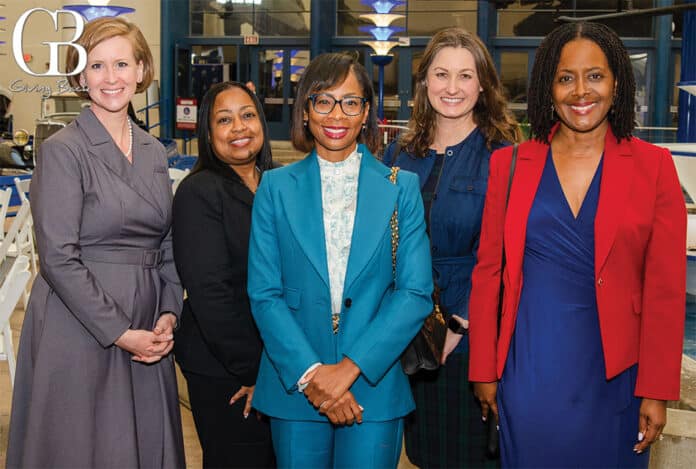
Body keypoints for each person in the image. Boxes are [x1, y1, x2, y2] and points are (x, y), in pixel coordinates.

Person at [469, 22, 686, 468]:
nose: (580, 91)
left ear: (617, 84)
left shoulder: (655, 166)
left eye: (595, 76)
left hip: (616, 381)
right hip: (530, 372)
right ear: (548, 88)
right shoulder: (509, 165)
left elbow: (665, 289)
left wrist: (658, 389)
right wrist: (483, 370)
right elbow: (488, 273)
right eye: (566, 77)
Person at [6, 17, 185, 468]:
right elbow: (58, 258)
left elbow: (166, 243)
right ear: (80, 76)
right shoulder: (64, 149)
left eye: (122, 64)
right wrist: (122, 334)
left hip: (147, 323)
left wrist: (168, 311)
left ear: (142, 70)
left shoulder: (153, 152)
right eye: (97, 66)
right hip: (82, 326)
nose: (111, 78)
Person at [247, 52, 433, 468]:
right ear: (306, 111)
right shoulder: (274, 188)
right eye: (323, 101)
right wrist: (313, 374)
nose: (337, 114)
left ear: (366, 112)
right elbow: (265, 294)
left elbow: (415, 293)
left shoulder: (401, 188)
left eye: (350, 102)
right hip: (296, 387)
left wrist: (348, 369)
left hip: (374, 384)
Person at [382, 27, 521, 468]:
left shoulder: (504, 155)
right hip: (407, 332)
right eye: (441, 74)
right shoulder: (399, 153)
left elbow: (505, 258)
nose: (453, 87)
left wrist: (459, 328)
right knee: (423, 453)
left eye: (465, 75)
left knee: (471, 456)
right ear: (424, 82)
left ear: (483, 84)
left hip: (471, 336)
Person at [172, 81, 276, 468]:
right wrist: (256, 370)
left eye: (248, 115)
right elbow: (210, 293)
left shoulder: (278, 183)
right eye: (224, 119)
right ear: (208, 131)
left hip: (279, 361)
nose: (239, 128)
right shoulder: (198, 192)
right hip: (226, 368)